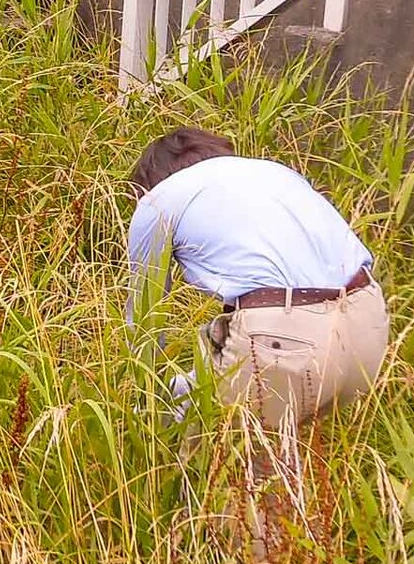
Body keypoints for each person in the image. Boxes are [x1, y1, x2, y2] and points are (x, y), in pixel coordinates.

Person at [127, 126, 389, 434]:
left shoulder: (157, 202)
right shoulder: (276, 174)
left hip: (285, 341)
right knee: (201, 400)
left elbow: (145, 323)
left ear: (149, 183)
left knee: (221, 462)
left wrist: (143, 406)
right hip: (368, 330)